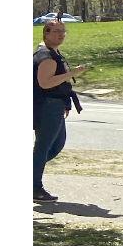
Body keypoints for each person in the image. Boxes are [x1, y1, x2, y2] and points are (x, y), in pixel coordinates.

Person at [33, 20, 88, 202]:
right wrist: (72, 73)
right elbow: (45, 83)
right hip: (47, 106)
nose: (61, 34)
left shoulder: (52, 52)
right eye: (56, 31)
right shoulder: (46, 56)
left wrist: (65, 103)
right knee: (44, 147)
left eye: (63, 31)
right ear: (46, 33)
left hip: (55, 105)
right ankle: (34, 188)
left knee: (56, 145)